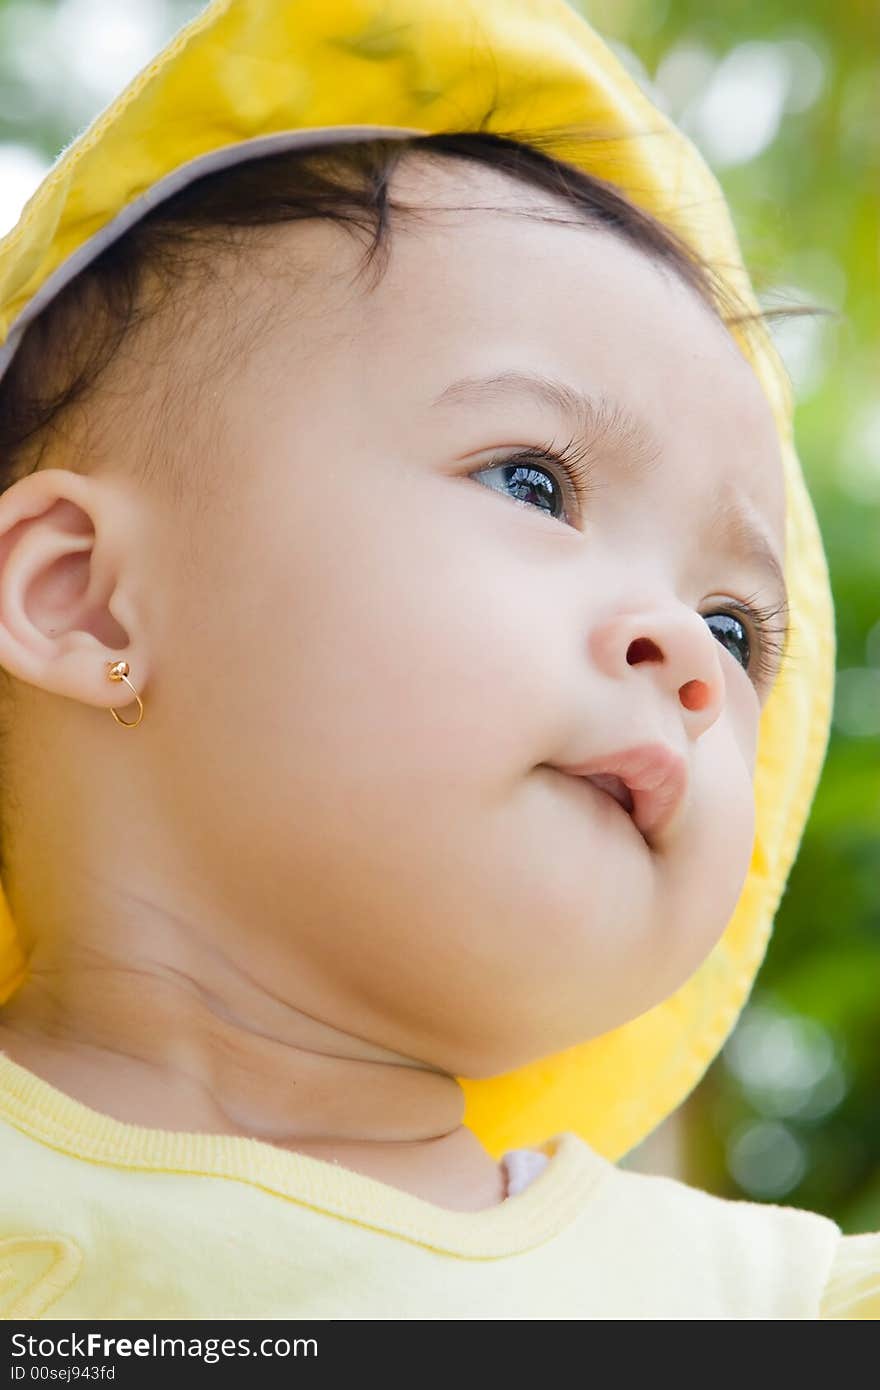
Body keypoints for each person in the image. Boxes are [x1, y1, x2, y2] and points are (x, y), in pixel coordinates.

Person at [0, 0, 875, 1319]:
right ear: (85, 597)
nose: (693, 654)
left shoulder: (770, 1298)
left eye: (742, 631)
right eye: (535, 483)